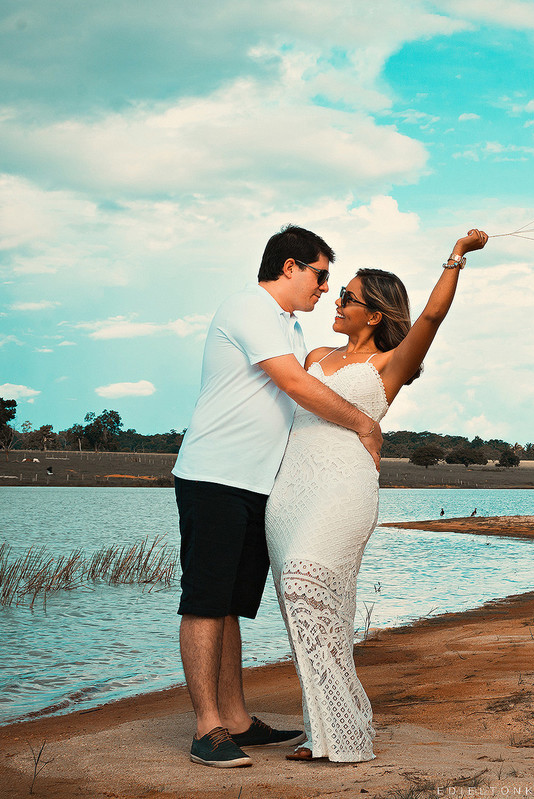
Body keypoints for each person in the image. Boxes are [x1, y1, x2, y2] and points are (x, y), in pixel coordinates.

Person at [265, 228, 488, 762]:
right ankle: (330, 728)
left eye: (347, 297)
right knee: (313, 610)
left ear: (374, 315)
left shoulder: (391, 364)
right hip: (289, 488)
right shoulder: (314, 353)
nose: (336, 302)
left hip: (346, 483)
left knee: (305, 583)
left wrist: (456, 255)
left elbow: (431, 319)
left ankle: (342, 728)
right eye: (336, 292)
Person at [172, 225, 385, 769]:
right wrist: (364, 424)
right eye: (320, 275)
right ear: (290, 266)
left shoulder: (289, 326)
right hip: (217, 476)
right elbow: (294, 385)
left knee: (232, 606)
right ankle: (206, 729)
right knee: (205, 601)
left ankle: (238, 720)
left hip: (261, 487)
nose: (324, 289)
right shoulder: (248, 307)